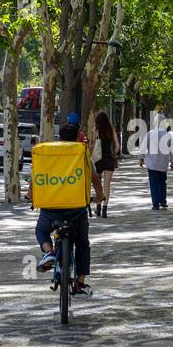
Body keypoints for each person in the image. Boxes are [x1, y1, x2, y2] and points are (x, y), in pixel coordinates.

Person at [36, 123, 105, 296]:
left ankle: (49, 252)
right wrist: (100, 195)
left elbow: (37, 178)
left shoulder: (47, 153)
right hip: (76, 210)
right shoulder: (82, 154)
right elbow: (95, 178)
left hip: (51, 210)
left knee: (41, 231)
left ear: (59, 137)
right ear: (76, 138)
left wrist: (31, 196)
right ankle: (80, 283)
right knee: (82, 244)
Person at [140, 113, 173, 210]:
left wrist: (141, 158)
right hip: (163, 164)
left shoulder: (150, 134)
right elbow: (172, 150)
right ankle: (163, 201)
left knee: (153, 183)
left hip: (152, 163)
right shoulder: (168, 135)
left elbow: (143, 147)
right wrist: (172, 162)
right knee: (162, 182)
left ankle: (155, 204)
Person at [91, 110, 120, 217]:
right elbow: (117, 146)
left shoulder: (96, 130)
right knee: (107, 185)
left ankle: (98, 207)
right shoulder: (111, 130)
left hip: (98, 160)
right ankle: (104, 209)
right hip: (109, 159)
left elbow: (93, 146)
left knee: (97, 184)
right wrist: (113, 154)